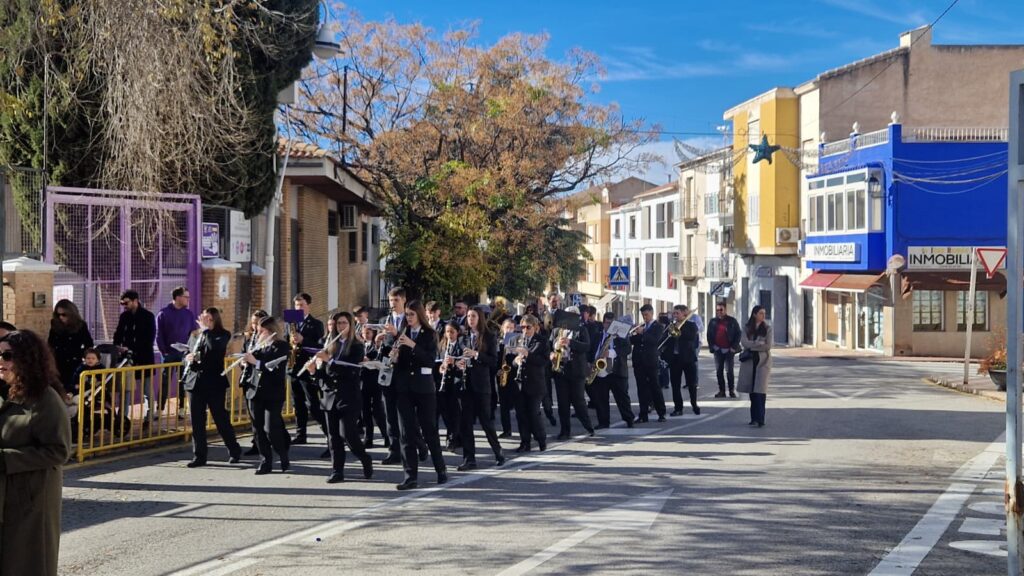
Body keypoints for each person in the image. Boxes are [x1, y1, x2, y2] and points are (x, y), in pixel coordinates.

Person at [0, 330, 72, 576]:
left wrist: (6, 459)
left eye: (8, 356)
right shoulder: (4, 392)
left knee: (27, 563)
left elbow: (59, 451)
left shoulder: (45, 399)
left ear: (26, 359)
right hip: (5, 495)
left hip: (31, 500)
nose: (1, 361)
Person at [309, 312, 373, 484]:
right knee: (333, 436)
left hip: (349, 396)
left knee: (348, 435)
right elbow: (324, 375)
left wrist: (329, 360)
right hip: (329, 396)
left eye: (344, 323)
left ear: (351, 325)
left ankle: (365, 458)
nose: (341, 327)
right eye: (338, 324)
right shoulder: (330, 345)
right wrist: (314, 371)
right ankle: (337, 471)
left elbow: (350, 371)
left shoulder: (357, 346)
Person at [390, 300, 447, 490]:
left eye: (412, 315)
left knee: (429, 430)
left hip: (424, 388)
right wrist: (394, 355)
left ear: (420, 315)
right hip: (404, 387)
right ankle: (410, 476)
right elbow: (398, 361)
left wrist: (413, 345)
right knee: (406, 433)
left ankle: (441, 469)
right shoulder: (402, 333)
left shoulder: (430, 334)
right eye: (407, 315)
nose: (409, 318)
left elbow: (431, 360)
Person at [183, 307, 242, 467]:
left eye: (208, 319)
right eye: (203, 317)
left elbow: (215, 348)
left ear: (214, 320)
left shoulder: (222, 335)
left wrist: (205, 331)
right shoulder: (194, 334)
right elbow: (187, 351)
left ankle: (234, 449)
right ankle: (199, 456)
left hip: (214, 383)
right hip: (195, 382)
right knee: (197, 420)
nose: (204, 320)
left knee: (220, 417)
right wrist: (188, 358)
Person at [455, 307, 505, 470]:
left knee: (486, 422)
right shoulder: (463, 338)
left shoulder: (489, 336)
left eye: (474, 316)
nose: (470, 319)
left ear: (480, 318)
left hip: (482, 385)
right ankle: (469, 458)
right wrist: (458, 363)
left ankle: (498, 452)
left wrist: (476, 355)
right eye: (468, 316)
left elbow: (493, 361)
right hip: (466, 384)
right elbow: (458, 356)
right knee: (466, 423)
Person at [244, 316, 291, 474]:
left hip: (273, 393)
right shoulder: (258, 346)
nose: (258, 334)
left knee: (271, 428)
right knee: (258, 429)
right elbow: (253, 367)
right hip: (255, 391)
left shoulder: (281, 346)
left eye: (262, 331)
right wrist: (246, 363)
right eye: (258, 331)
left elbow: (274, 369)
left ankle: (283, 454)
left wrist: (255, 362)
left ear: (271, 331)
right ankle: (265, 462)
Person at [288, 292, 327, 449]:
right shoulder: (291, 322)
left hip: (308, 367)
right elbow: (286, 340)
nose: (298, 308)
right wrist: (290, 341)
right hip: (293, 367)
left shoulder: (316, 324)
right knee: (297, 403)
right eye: (296, 305)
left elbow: (319, 346)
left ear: (308, 306)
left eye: (301, 305)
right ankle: (300, 434)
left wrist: (303, 340)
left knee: (312, 403)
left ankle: (328, 432)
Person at [551, 306, 594, 439]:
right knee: (562, 403)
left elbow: (587, 346)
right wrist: (551, 353)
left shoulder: (581, 330)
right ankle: (565, 431)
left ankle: (588, 426)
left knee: (578, 401)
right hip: (561, 369)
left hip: (576, 370)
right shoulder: (557, 331)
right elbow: (548, 345)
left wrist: (570, 342)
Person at [155, 286, 196, 419]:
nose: (188, 299)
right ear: (178, 297)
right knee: (165, 382)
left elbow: (193, 333)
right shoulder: (164, 313)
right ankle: (159, 409)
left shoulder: (189, 314)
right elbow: (158, 334)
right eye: (186, 297)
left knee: (183, 381)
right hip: (168, 354)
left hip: (184, 354)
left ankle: (182, 408)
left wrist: (191, 349)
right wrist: (163, 352)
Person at [590, 312, 635, 429]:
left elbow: (627, 349)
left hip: (617, 371)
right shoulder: (597, 335)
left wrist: (611, 353)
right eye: (607, 323)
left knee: (622, 397)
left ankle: (629, 419)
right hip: (600, 371)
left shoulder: (621, 335)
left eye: (612, 323)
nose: (609, 326)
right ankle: (603, 422)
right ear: (603, 323)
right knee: (601, 399)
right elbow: (591, 350)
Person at [512, 315, 548, 453]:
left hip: (535, 383)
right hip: (520, 383)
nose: (525, 330)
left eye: (528, 327)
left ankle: (541, 439)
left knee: (534, 413)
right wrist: (516, 361)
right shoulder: (518, 340)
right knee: (521, 414)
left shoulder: (541, 341)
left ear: (535, 327)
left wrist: (527, 355)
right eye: (522, 327)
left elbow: (544, 361)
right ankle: (525, 442)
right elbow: (512, 361)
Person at [238, 310, 269, 456]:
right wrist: (243, 363)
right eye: (253, 323)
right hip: (249, 379)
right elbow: (244, 355)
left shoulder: (267, 339)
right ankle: (256, 444)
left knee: (266, 417)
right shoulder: (249, 338)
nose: (254, 326)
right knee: (254, 416)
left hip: (263, 381)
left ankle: (281, 440)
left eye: (257, 323)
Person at [47, 299, 94, 395]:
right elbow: (50, 343)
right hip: (58, 360)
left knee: (73, 387)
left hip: (74, 360)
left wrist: (84, 356)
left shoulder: (80, 325)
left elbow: (88, 343)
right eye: (58, 314)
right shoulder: (55, 324)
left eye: (64, 315)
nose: (60, 318)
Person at [630, 304, 667, 423]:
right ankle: (643, 414)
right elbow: (634, 341)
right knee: (641, 389)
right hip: (639, 361)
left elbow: (654, 340)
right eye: (643, 315)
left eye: (646, 314)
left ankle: (661, 413)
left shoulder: (658, 326)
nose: (645, 317)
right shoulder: (641, 327)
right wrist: (633, 334)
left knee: (655, 386)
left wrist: (643, 333)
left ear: (652, 313)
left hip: (651, 361)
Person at [737, 305, 773, 427]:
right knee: (752, 391)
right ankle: (753, 418)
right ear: (754, 314)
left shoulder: (767, 328)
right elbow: (744, 342)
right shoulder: (747, 328)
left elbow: (768, 346)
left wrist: (753, 345)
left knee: (760, 391)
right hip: (749, 361)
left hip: (762, 361)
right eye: (761, 313)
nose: (763, 316)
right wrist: (756, 343)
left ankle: (761, 418)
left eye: (764, 313)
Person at [662, 305, 700, 417]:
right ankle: (678, 408)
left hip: (688, 359)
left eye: (677, 313)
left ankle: (694, 404)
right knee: (675, 385)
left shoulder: (691, 325)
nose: (675, 315)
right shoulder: (671, 326)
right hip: (675, 359)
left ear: (684, 314)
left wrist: (679, 331)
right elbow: (665, 340)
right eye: (674, 313)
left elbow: (691, 337)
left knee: (692, 384)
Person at [359, 325, 388, 449]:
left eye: (369, 332)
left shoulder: (378, 345)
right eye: (365, 332)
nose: (367, 334)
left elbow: (377, 355)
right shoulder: (360, 345)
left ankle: (386, 436)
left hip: (375, 381)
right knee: (365, 411)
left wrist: (376, 345)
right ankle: (368, 437)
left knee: (378, 411)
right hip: (362, 381)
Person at [436, 322, 464, 451]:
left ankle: (452, 437)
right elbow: (440, 362)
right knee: (445, 411)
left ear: (457, 332)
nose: (449, 334)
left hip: (457, 382)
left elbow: (463, 364)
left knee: (455, 412)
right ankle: (455, 435)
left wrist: (454, 362)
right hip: (445, 382)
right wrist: (442, 368)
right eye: (447, 332)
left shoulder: (461, 345)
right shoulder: (443, 346)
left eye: (452, 332)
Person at [707, 301, 742, 398]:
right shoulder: (713, 321)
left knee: (729, 371)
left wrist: (733, 347)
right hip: (718, 350)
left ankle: (731, 390)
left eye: (721, 310)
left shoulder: (732, 321)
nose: (719, 312)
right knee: (719, 371)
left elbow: (738, 334)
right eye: (717, 310)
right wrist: (712, 346)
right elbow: (709, 335)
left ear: (725, 310)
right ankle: (721, 391)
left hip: (729, 350)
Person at [497, 319, 520, 438]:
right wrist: (498, 370)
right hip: (502, 376)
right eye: (507, 328)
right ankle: (507, 429)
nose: (509, 330)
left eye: (511, 328)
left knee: (517, 404)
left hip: (514, 376)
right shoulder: (499, 343)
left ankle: (523, 429)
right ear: (502, 329)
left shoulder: (517, 342)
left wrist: (515, 352)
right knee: (504, 405)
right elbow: (495, 359)